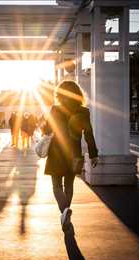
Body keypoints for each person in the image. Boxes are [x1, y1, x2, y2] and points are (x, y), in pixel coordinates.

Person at [42, 80, 98, 232]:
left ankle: (64, 211)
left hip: (56, 153)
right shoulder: (84, 111)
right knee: (69, 185)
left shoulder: (55, 109)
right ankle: (66, 212)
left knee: (56, 186)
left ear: (59, 94)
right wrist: (93, 155)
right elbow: (89, 134)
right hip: (75, 154)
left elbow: (46, 130)